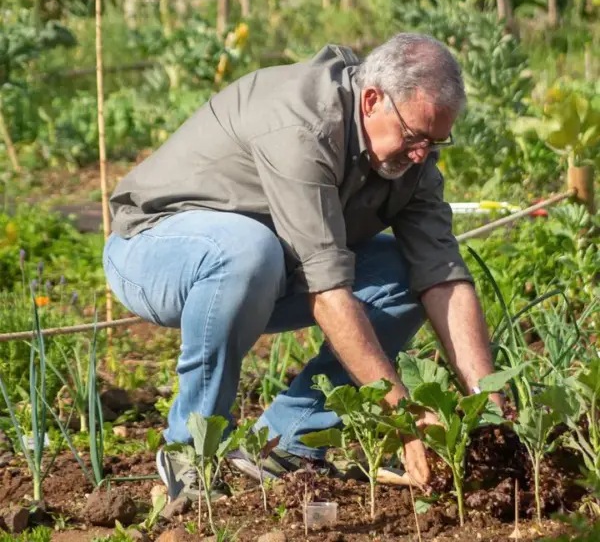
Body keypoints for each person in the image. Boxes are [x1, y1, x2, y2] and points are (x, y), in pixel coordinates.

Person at [103, 33, 503, 502]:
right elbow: (329, 294)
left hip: (265, 267)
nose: (421, 154)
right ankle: (191, 450)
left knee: (403, 274)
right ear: (372, 100)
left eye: (436, 142)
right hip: (154, 248)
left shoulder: (411, 162)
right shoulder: (304, 125)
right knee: (249, 250)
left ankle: (284, 444)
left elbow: (443, 277)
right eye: (415, 137)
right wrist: (405, 418)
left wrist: (489, 407)